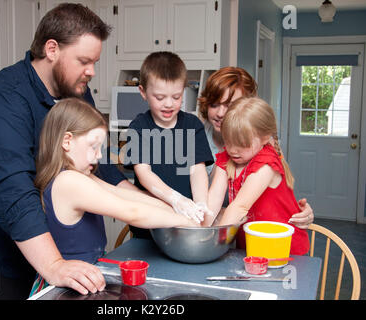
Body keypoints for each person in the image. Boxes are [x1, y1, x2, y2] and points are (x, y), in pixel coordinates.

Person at [0, 3, 137, 300]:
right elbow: (14, 191)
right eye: (83, 61)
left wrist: (160, 203)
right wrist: (52, 264)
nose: (91, 72)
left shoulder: (76, 90)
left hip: (47, 252)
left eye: (94, 62)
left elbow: (99, 165)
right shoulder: (1, 98)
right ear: (52, 49)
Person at [29, 98, 198, 295]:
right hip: (63, 288)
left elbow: (126, 196)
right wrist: (184, 221)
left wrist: (177, 205)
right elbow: (132, 212)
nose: (99, 156)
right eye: (94, 146)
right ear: (67, 141)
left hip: (84, 278)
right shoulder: (69, 181)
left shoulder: (83, 176)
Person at [198, 67, 314, 229]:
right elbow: (209, 203)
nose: (221, 113)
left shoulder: (264, 149)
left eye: (231, 106)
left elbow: (275, 197)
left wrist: (300, 212)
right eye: (214, 104)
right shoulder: (193, 135)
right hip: (226, 229)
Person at [124, 51, 215, 238]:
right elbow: (144, 174)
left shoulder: (192, 125)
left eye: (176, 97)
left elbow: (197, 171)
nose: (168, 104)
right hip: (148, 228)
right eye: (159, 97)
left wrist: (200, 205)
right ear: (143, 92)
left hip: (184, 226)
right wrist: (176, 200)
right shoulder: (139, 127)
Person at [206, 97, 309, 255]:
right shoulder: (226, 158)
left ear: (265, 138)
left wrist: (214, 243)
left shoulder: (266, 164)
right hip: (250, 246)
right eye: (228, 141)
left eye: (242, 144)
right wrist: (202, 233)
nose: (233, 150)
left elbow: (240, 206)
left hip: (283, 248)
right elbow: (213, 200)